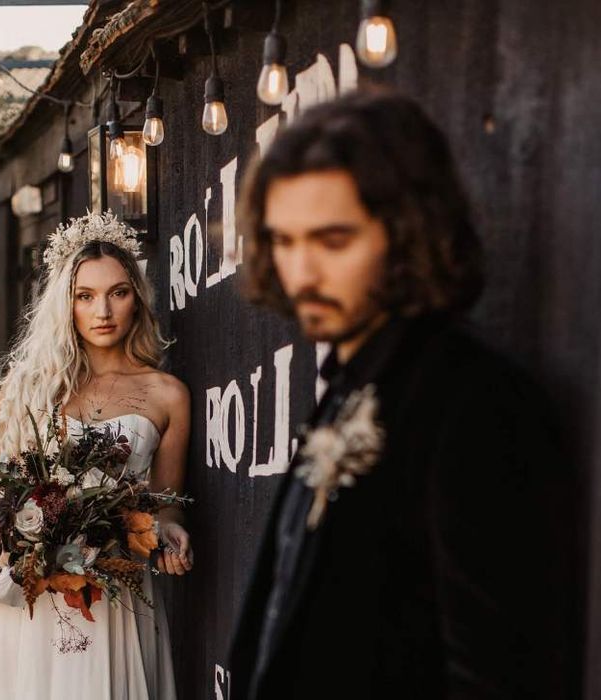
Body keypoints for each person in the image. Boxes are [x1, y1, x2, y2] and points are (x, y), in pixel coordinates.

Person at [228, 91, 577, 699]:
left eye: (332, 240)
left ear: (408, 230)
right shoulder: (352, 381)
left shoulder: (474, 402)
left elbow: (501, 676)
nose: (302, 272)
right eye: (283, 241)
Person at [0, 211, 192, 699]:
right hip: (41, 594)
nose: (103, 311)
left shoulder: (167, 395)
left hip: (120, 595)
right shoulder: (31, 387)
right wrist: (34, 547)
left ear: (136, 301)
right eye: (86, 296)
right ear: (66, 304)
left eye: (118, 292)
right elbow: (0, 497)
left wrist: (173, 530)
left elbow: (168, 503)